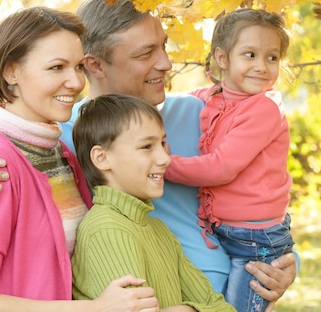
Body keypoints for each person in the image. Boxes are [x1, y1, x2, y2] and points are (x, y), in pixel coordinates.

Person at [0, 0, 297, 310]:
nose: (166, 63)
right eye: (145, 53)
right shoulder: (64, 142)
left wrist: (285, 261)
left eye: (164, 46)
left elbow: (262, 194)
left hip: (221, 293)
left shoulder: (204, 114)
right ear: (95, 64)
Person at [0, 7, 156, 312]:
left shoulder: (60, 155)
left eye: (78, 66)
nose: (75, 82)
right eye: (57, 67)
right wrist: (96, 308)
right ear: (10, 72)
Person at [166, 9, 294, 312]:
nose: (262, 67)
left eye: (272, 58)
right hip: (232, 231)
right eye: (250, 55)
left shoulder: (264, 109)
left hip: (254, 237)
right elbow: (198, 97)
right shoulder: (221, 98)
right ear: (222, 58)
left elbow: (221, 167)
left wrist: (163, 164)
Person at [71, 94, 235, 312]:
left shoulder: (158, 230)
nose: (165, 158)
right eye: (147, 146)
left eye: (163, 143)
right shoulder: (107, 229)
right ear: (102, 158)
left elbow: (221, 308)